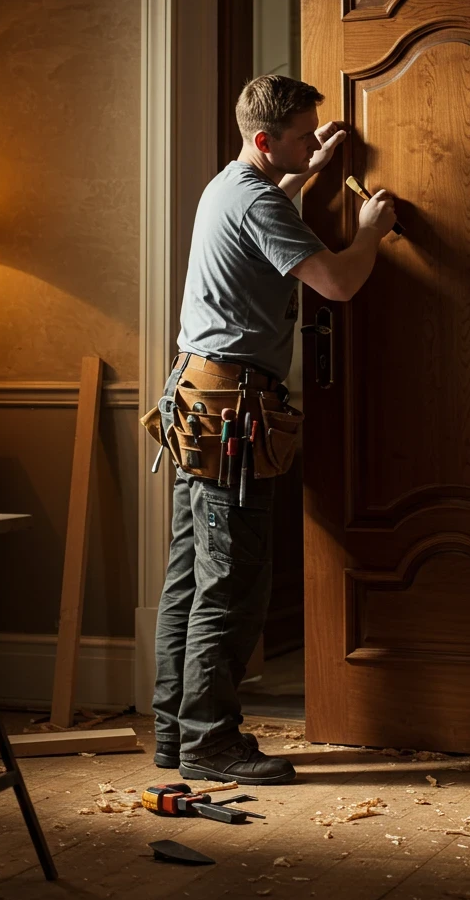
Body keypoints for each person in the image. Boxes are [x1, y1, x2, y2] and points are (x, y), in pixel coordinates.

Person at [152, 73, 397, 784]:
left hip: (200, 394)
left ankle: (177, 736)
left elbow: (271, 214)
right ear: (265, 140)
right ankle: (210, 743)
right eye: (301, 136)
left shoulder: (232, 184)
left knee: (188, 582)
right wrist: (368, 233)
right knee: (232, 582)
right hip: (231, 411)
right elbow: (338, 283)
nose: (314, 141)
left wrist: (308, 171)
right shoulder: (258, 198)